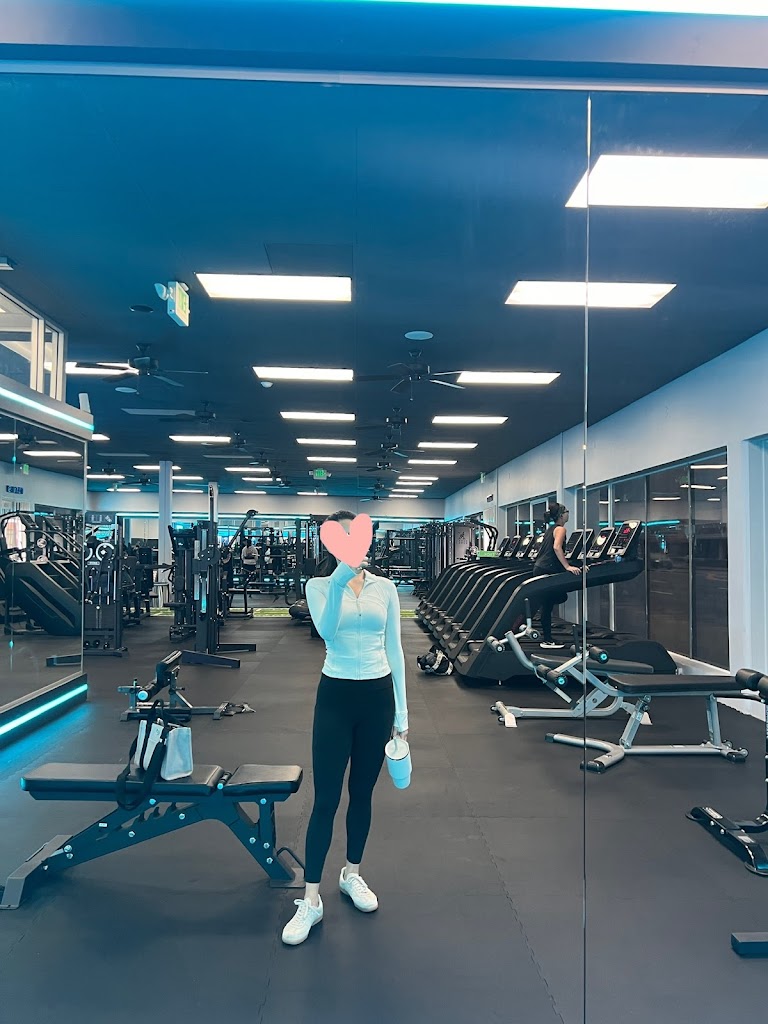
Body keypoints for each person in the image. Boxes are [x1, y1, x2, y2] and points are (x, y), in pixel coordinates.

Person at [282, 510, 409, 947]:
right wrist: (340, 577)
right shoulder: (319, 586)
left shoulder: (385, 588)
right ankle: (311, 899)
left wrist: (402, 718)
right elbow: (327, 632)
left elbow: (395, 649)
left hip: (378, 697)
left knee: (362, 794)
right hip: (335, 697)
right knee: (326, 800)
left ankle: (351, 873)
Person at [532, 503, 582, 650]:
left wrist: (575, 565)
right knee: (554, 600)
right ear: (561, 515)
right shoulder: (560, 529)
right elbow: (556, 547)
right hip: (547, 569)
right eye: (566, 511)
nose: (568, 513)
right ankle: (547, 640)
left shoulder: (550, 529)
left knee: (548, 604)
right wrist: (567, 567)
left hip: (540, 567)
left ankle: (547, 638)